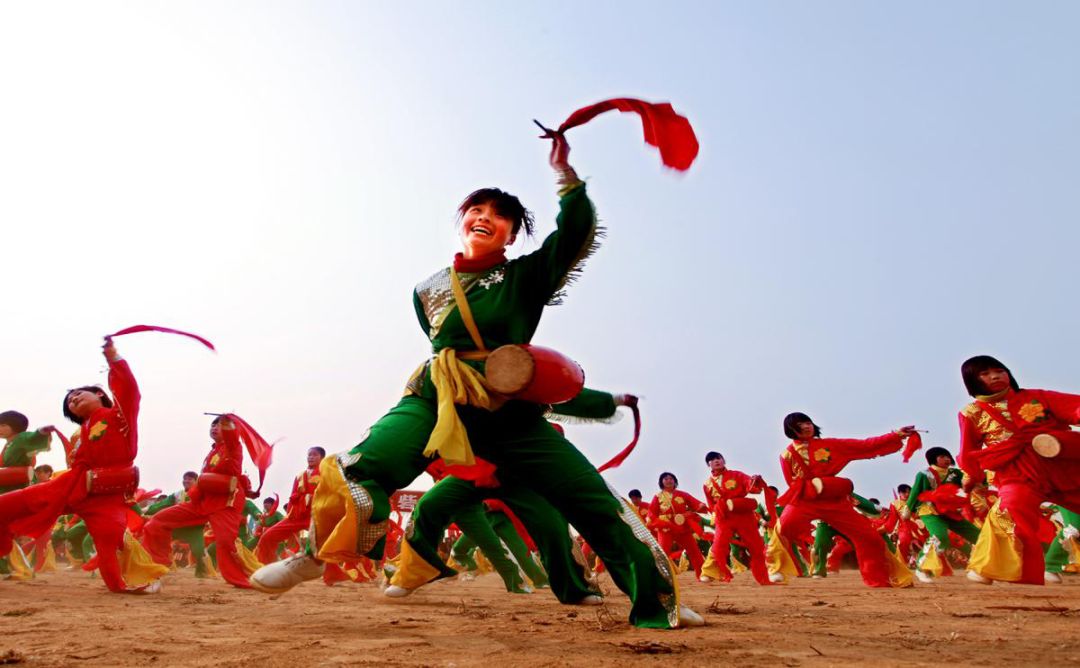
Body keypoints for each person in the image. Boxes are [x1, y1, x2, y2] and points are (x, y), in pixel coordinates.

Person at [251, 129, 698, 628]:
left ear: (511, 235)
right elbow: (441, 343)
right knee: (362, 467)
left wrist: (565, 176)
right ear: (463, 220)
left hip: (508, 414)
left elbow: (574, 235)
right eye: (477, 209)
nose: (485, 217)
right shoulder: (427, 290)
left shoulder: (525, 277)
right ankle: (314, 556)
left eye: (500, 215)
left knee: (590, 501)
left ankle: (655, 600)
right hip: (436, 397)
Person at [0, 338, 165, 593]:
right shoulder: (81, 434)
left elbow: (130, 392)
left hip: (106, 496)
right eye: (69, 401)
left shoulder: (119, 417)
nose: (73, 399)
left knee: (109, 543)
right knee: (7, 505)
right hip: (70, 487)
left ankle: (126, 582)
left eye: (78, 394)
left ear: (99, 394)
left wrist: (114, 359)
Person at [957, 356, 1080, 585]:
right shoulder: (971, 413)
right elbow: (968, 451)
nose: (995, 376)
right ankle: (995, 568)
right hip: (1016, 473)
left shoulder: (1036, 397)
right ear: (972, 381)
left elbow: (1074, 408)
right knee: (1011, 512)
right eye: (985, 374)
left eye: (999, 370)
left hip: (1062, 467)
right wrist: (971, 477)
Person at [776, 412, 916, 588]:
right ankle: (776, 569)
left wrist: (896, 435)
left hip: (834, 500)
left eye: (808, 422)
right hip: (805, 500)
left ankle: (879, 579)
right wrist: (813, 487)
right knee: (783, 528)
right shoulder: (786, 455)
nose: (806, 426)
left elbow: (865, 445)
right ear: (790, 430)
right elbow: (791, 483)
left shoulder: (831, 445)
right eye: (800, 425)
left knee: (869, 537)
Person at [142, 416, 254, 588]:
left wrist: (229, 425)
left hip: (224, 504)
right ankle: (156, 567)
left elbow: (232, 439)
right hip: (201, 503)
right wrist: (148, 510)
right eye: (213, 424)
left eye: (220, 425)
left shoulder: (233, 447)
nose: (215, 427)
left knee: (225, 542)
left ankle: (244, 579)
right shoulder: (212, 453)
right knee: (156, 522)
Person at [906, 447, 980, 582]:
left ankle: (986, 567)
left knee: (979, 536)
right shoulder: (924, 474)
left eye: (947, 456)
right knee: (939, 537)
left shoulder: (956, 473)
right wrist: (907, 510)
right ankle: (923, 567)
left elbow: (966, 487)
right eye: (942, 456)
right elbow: (915, 493)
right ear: (933, 459)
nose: (946, 459)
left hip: (950, 511)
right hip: (930, 511)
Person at [700, 452, 770, 585]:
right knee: (719, 543)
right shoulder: (707, 484)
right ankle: (709, 572)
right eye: (712, 460)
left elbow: (750, 485)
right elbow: (711, 504)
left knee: (756, 545)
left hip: (743, 514)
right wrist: (716, 515)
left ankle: (763, 576)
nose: (716, 461)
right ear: (709, 465)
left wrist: (755, 480)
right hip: (724, 516)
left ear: (723, 460)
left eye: (718, 458)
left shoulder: (736, 475)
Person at [254, 447, 324, 564]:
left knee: (324, 545)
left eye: (314, 455)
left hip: (315, 517)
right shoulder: (300, 476)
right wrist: (289, 514)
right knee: (267, 537)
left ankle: (335, 572)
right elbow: (292, 496)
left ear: (322, 458)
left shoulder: (325, 474)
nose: (311, 457)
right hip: (296, 516)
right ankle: (264, 566)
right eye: (309, 455)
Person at [649, 472, 709, 579]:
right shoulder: (657, 497)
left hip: (682, 527)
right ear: (661, 482)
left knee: (694, 551)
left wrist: (700, 506)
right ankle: (659, 577)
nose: (669, 480)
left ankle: (702, 574)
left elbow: (695, 504)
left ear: (675, 481)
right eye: (665, 479)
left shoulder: (683, 494)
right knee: (663, 553)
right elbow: (651, 514)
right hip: (665, 528)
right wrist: (660, 522)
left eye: (671, 478)